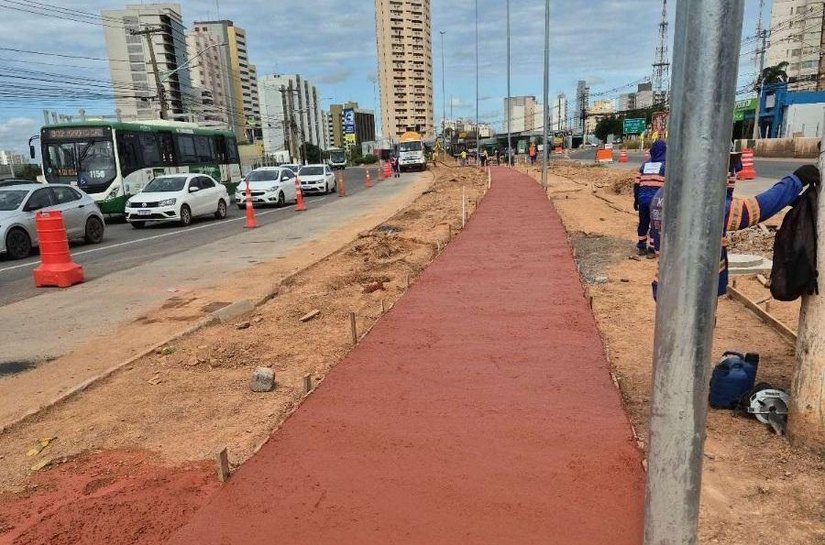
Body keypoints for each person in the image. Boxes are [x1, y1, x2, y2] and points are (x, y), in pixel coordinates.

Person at [650, 164, 820, 299]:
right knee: (692, 338)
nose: (730, 178)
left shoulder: (664, 194)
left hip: (670, 284)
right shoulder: (698, 200)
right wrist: (794, 181)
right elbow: (750, 211)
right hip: (693, 291)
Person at [633, 139, 667, 256]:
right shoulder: (666, 165)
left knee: (643, 222)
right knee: (655, 225)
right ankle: (652, 249)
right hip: (657, 201)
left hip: (643, 198)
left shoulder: (645, 165)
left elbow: (637, 183)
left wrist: (636, 199)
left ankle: (641, 246)